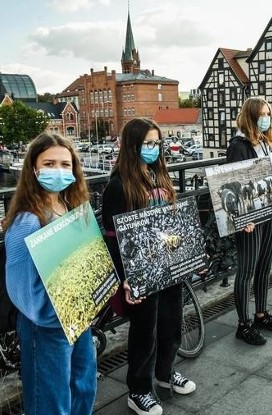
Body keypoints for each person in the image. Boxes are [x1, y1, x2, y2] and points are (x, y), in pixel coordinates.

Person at [102, 118, 195, 415]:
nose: (154, 149)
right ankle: (139, 389)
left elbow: (172, 220)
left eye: (157, 143)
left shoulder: (160, 176)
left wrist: (187, 254)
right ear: (132, 147)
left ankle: (165, 373)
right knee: (145, 329)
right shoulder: (118, 186)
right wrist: (124, 278)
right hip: (140, 271)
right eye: (148, 144)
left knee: (171, 320)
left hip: (167, 264)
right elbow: (113, 237)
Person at [4, 133, 96, 414]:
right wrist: (52, 317)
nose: (59, 171)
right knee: (50, 401)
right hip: (48, 323)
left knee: (83, 385)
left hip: (76, 315)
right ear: (34, 168)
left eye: (66, 165)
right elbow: (20, 287)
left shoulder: (68, 205)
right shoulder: (28, 220)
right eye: (50, 163)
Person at [226, 97, 272, 345]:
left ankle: (261, 313)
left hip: (268, 211)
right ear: (250, 116)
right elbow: (232, 184)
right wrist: (242, 218)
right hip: (249, 218)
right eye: (262, 114)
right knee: (247, 271)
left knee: (264, 266)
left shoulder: (264, 142)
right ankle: (244, 324)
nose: (266, 118)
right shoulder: (239, 146)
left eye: (268, 113)